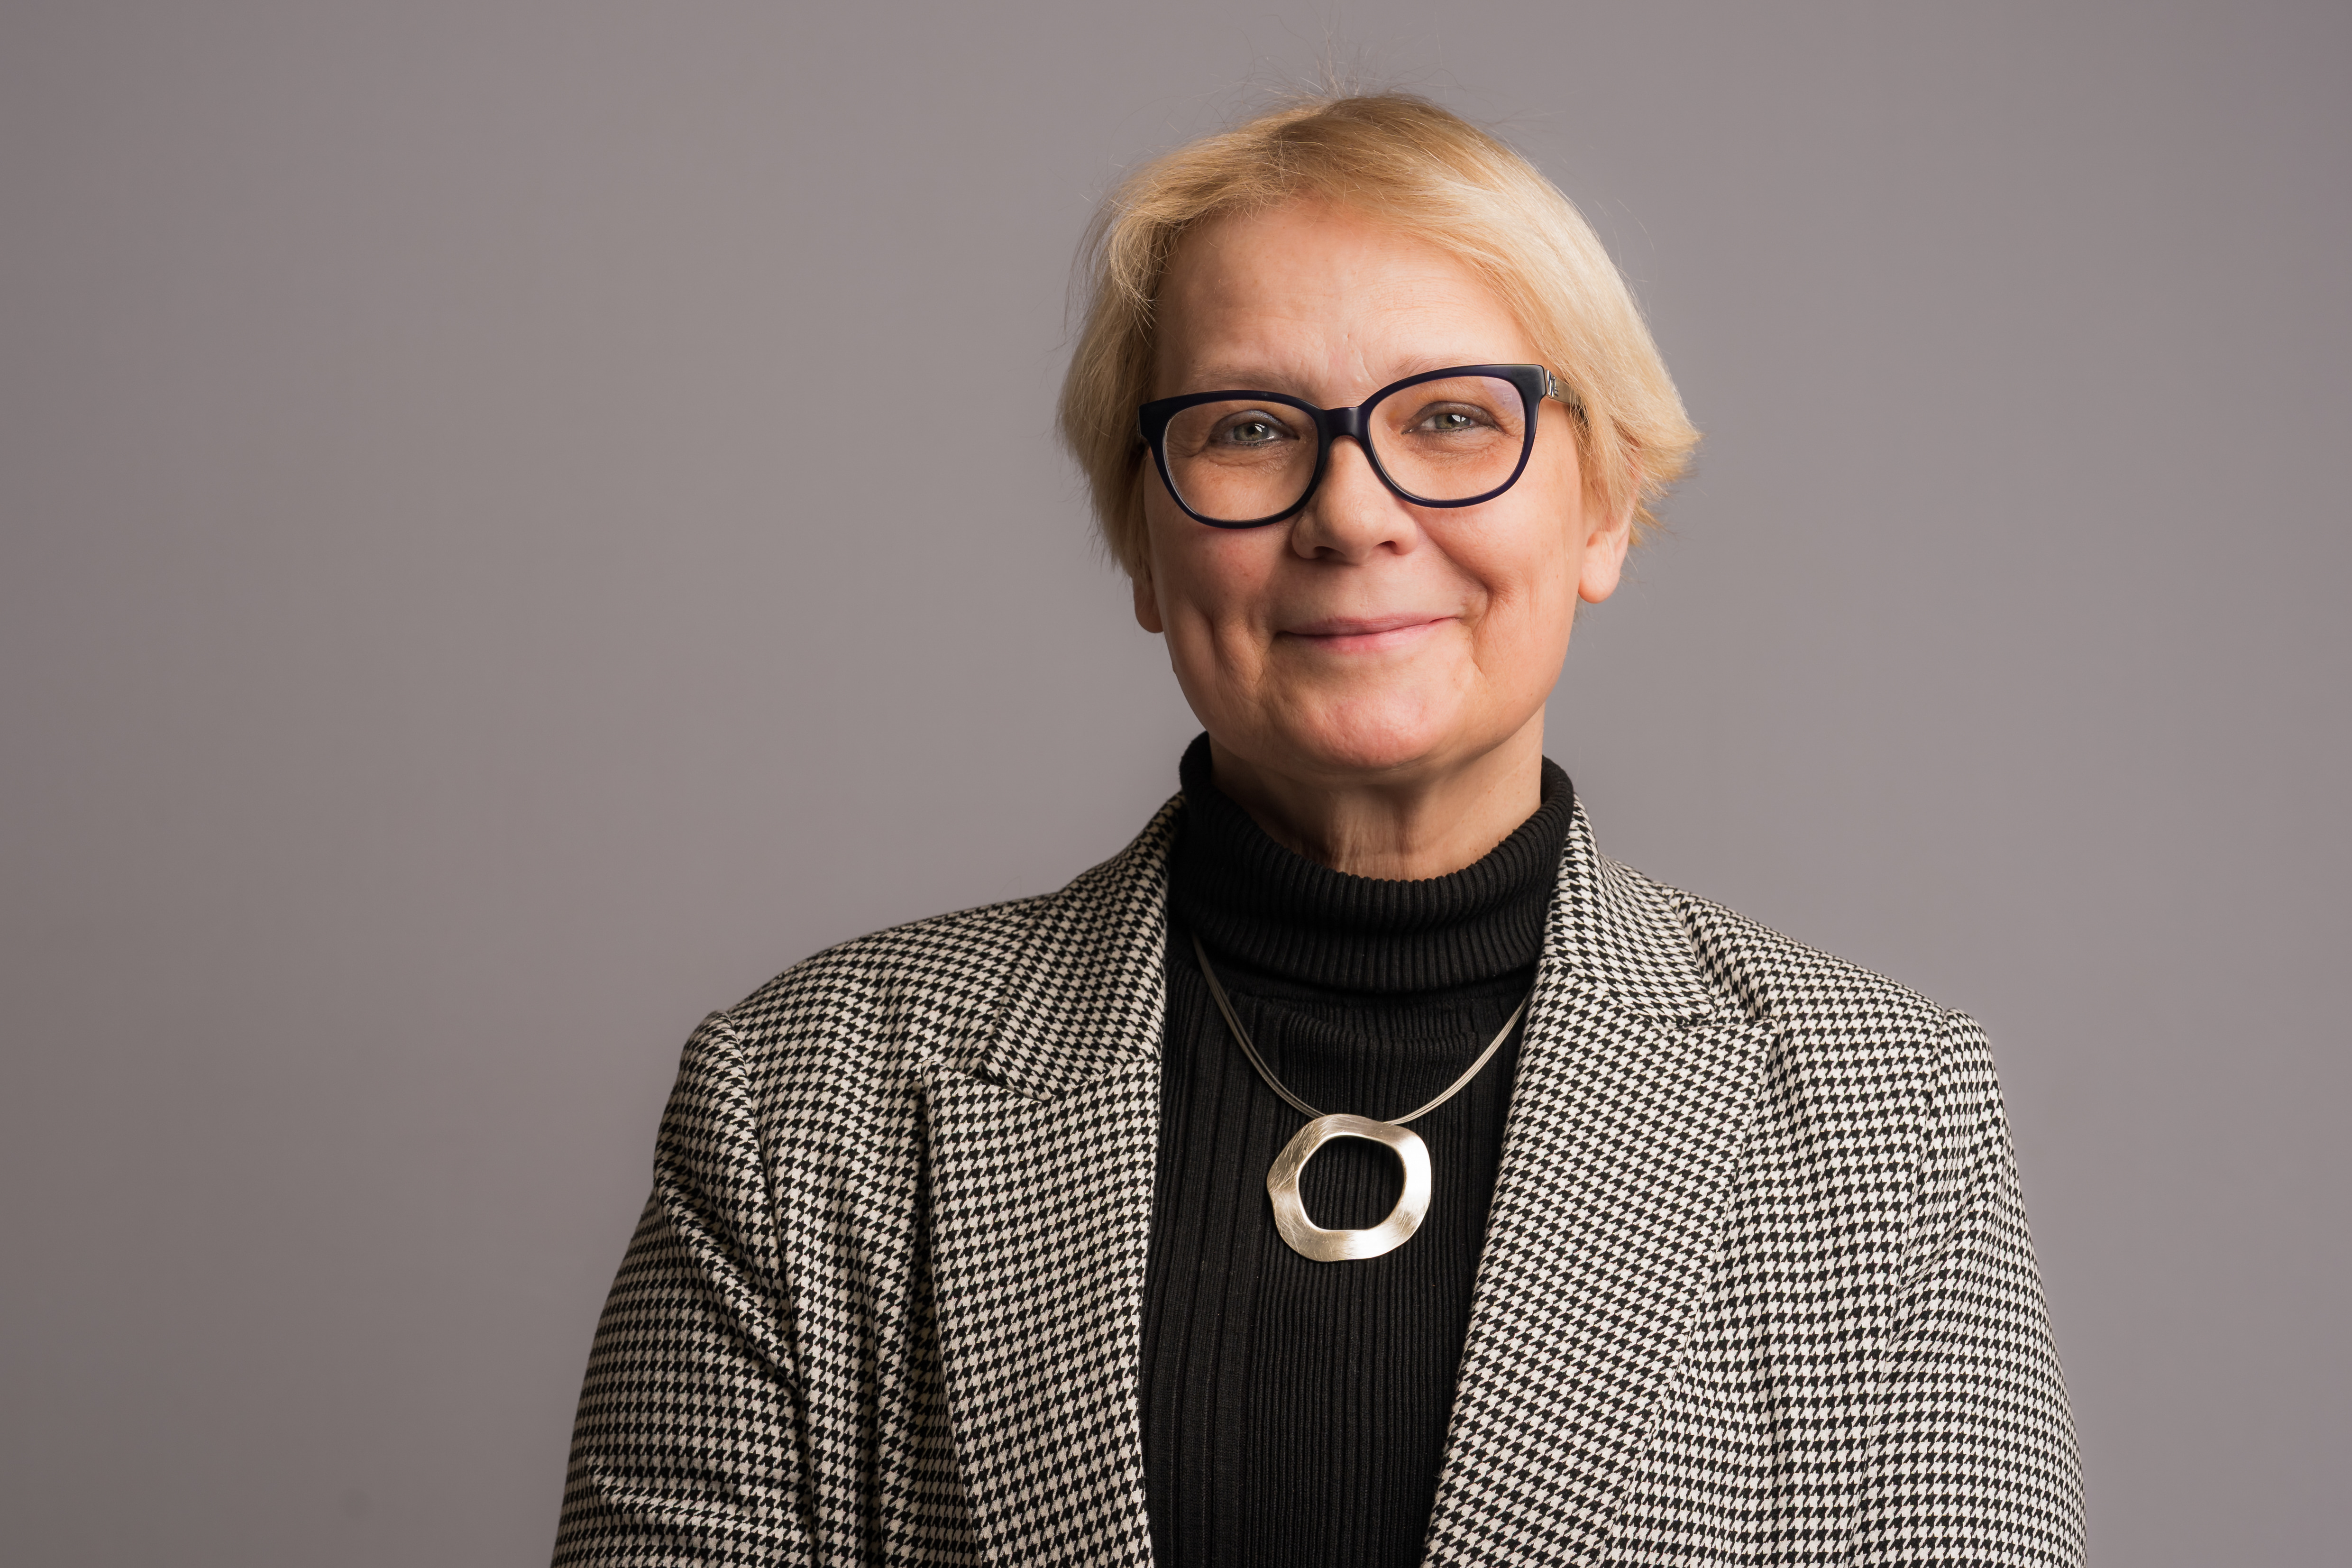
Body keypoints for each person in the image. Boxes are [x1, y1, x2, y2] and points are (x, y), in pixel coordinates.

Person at [553, 92, 2083, 1568]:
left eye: (1452, 416)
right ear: (1141, 538)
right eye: (1246, 427)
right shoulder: (804, 1105)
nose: (1350, 513)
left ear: (1603, 506)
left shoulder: (1891, 1124)